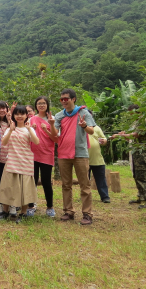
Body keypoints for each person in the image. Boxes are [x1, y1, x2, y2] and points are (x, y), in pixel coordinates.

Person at [49, 88, 95, 225]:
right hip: (63, 153)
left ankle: (87, 214)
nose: (63, 101)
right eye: (61, 99)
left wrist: (84, 125)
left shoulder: (83, 113)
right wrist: (51, 125)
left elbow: (91, 131)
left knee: (84, 184)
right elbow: (54, 134)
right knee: (66, 185)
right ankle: (68, 211)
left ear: (73, 99)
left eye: (66, 99)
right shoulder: (59, 115)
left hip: (80, 153)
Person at [0, 105, 40, 222]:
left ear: (27, 115)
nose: (19, 116)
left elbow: (36, 142)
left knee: (25, 188)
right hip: (12, 160)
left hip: (25, 161)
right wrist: (11, 130)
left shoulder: (28, 129)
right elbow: (4, 143)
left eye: (22, 114)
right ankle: (5, 210)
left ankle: (23, 212)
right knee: (8, 186)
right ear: (14, 115)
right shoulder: (10, 128)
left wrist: (30, 129)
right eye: (17, 114)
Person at [112, 104, 146, 209]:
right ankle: (140, 197)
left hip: (142, 153)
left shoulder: (144, 121)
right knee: (136, 175)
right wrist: (123, 135)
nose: (130, 115)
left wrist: (120, 135)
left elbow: (136, 135)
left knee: (142, 176)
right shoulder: (136, 122)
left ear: (136, 111)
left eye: (131, 113)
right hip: (134, 153)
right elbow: (130, 138)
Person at [29, 97, 58, 217]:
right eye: (39, 103)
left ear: (47, 105)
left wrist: (48, 128)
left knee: (46, 181)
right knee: (32, 181)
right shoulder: (31, 119)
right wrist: (32, 130)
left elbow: (56, 139)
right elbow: (27, 137)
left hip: (46, 153)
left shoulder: (52, 119)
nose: (41, 105)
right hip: (32, 154)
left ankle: (50, 207)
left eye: (43, 103)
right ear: (36, 106)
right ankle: (31, 206)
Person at [86, 110, 111, 204]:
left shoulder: (97, 128)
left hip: (97, 159)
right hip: (83, 159)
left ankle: (105, 197)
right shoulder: (79, 128)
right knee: (84, 180)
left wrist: (104, 141)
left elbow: (104, 139)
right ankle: (85, 196)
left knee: (101, 179)